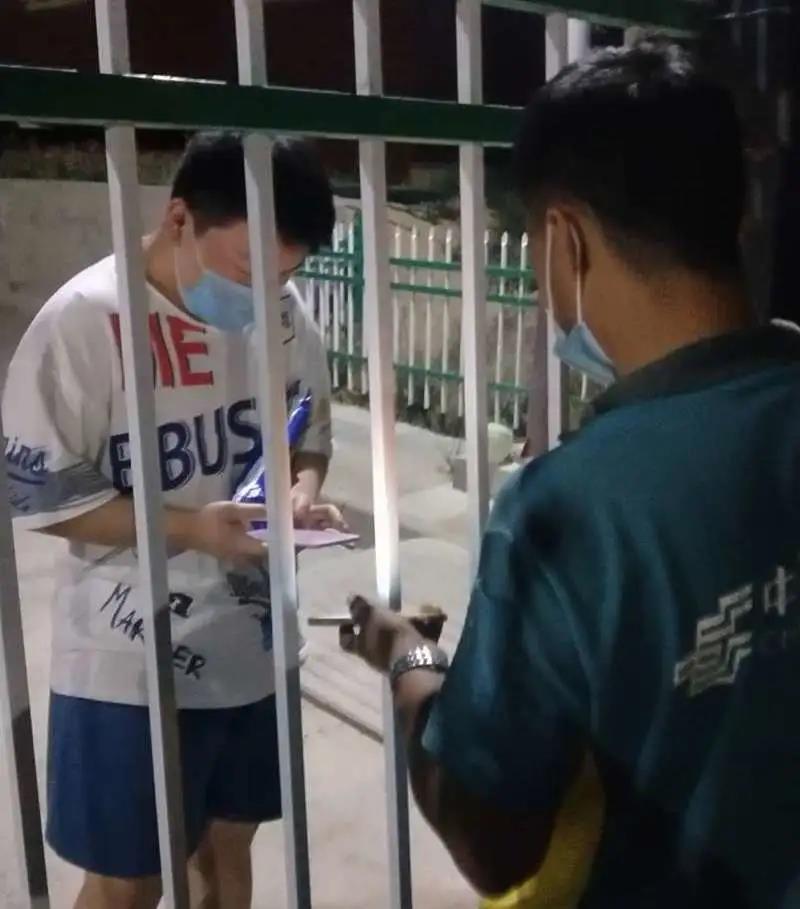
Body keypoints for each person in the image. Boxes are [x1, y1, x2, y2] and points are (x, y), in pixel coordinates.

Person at [342, 43, 800, 908]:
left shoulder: (570, 506)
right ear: (739, 211)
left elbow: (492, 841)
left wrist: (411, 656)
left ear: (564, 239)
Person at [2, 131, 341, 909]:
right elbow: (37, 493)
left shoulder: (281, 314)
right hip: (129, 655)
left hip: (252, 643)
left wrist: (300, 490)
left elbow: (308, 431)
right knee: (131, 879)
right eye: (248, 270)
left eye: (286, 274)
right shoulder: (87, 321)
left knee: (228, 846)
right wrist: (190, 528)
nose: (265, 295)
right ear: (179, 217)